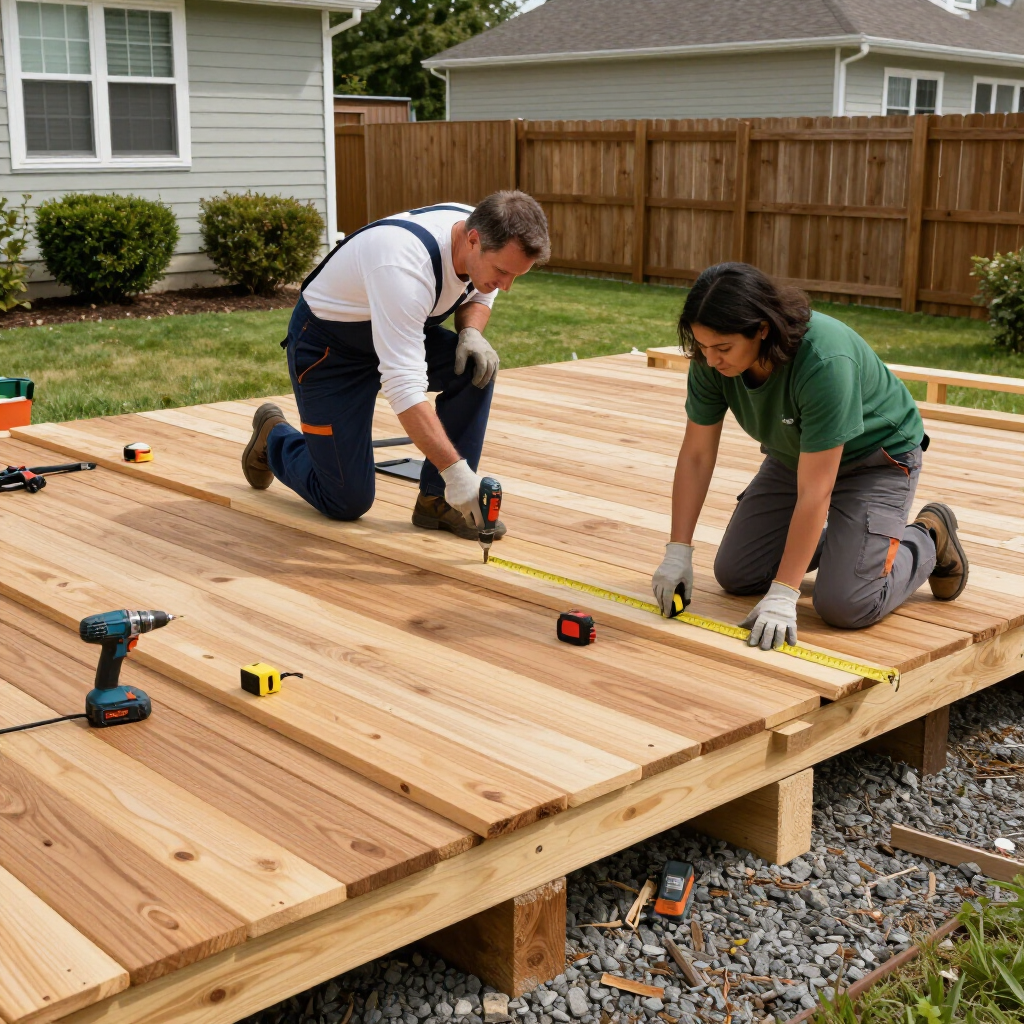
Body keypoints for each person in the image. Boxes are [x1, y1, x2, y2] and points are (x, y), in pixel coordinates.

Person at [651, 263, 968, 651]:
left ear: (761, 329)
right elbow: (697, 455)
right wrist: (678, 549)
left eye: (723, 348)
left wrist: (785, 593)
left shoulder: (824, 361)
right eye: (702, 346)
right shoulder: (712, 361)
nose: (712, 359)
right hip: (794, 455)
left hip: (876, 459)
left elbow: (816, 490)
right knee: (738, 574)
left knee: (846, 604)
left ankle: (925, 537)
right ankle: (854, 546)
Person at [241, 191, 550, 539]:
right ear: (473, 240)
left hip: (396, 329)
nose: (506, 286)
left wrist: (471, 333)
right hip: (330, 352)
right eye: (502, 272)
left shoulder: (482, 230)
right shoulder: (404, 265)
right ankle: (275, 439)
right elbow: (403, 388)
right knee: (345, 500)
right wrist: (458, 474)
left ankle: (438, 501)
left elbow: (480, 293)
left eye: (515, 276)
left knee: (476, 366)